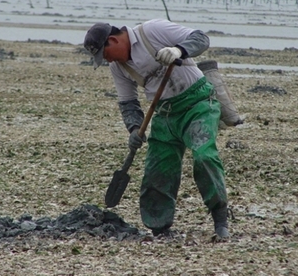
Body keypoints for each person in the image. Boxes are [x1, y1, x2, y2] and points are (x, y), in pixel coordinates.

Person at [83, 19, 229, 239]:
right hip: (165, 114)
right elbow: (128, 102)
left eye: (105, 54)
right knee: (157, 172)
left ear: (113, 40)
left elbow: (201, 38)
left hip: (198, 104)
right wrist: (133, 129)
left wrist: (178, 50)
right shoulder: (119, 68)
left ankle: (220, 220)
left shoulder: (152, 30)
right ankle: (160, 228)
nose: (106, 60)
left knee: (203, 156)